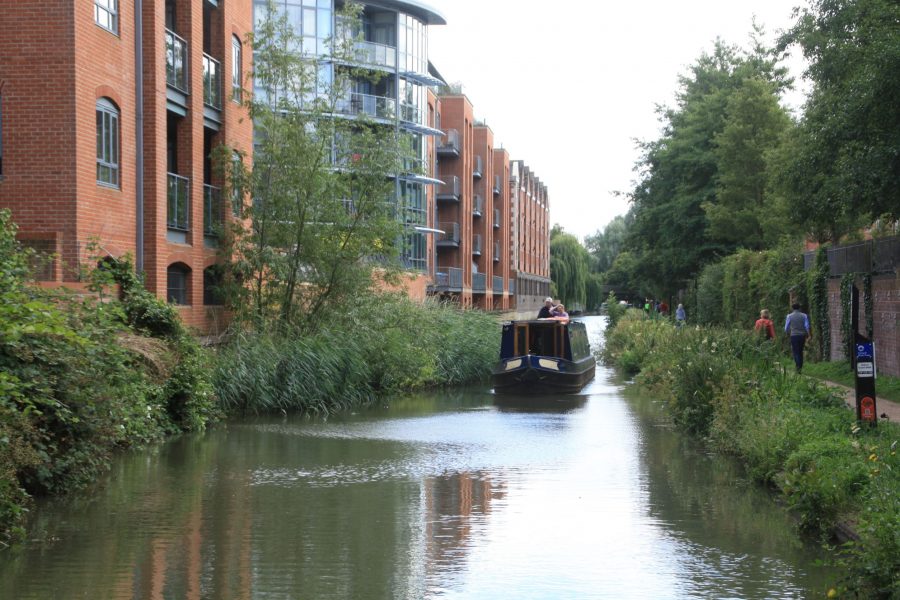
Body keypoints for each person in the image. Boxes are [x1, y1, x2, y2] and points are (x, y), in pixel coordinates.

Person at [784, 303, 812, 372]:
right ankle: (800, 366)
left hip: (794, 335)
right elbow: (807, 326)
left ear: (792, 308)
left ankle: (798, 367)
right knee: (800, 351)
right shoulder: (804, 315)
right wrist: (809, 335)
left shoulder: (789, 316)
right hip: (802, 335)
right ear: (799, 308)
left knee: (795, 351)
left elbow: (786, 327)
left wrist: (787, 333)